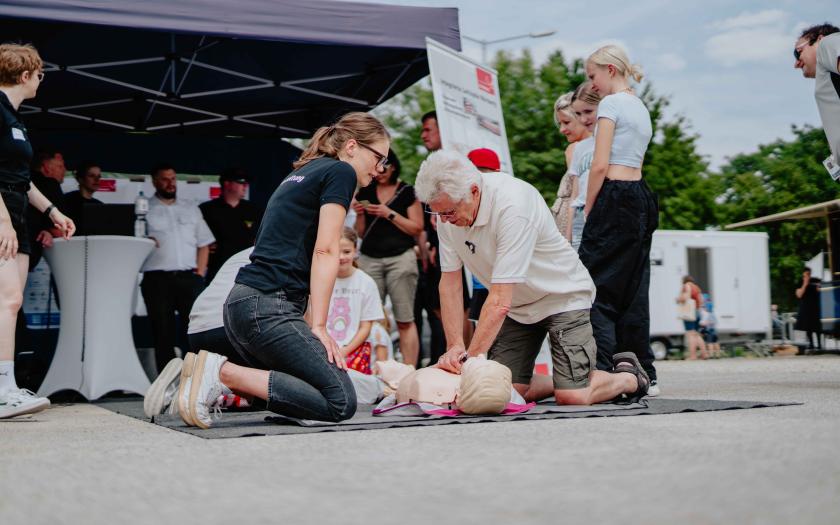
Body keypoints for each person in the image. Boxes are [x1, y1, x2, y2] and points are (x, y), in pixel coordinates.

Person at [148, 112, 389, 429]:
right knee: (341, 400)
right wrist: (319, 325)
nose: (381, 169)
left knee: (302, 389)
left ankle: (205, 378)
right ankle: (220, 373)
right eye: (379, 157)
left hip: (243, 305)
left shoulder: (304, 172)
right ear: (353, 147)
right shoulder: (340, 171)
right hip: (267, 307)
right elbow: (326, 249)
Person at [416, 150, 649, 406]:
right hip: (518, 307)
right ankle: (562, 380)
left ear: (473, 191)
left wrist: (471, 361)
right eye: (437, 214)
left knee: (573, 397)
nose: (444, 221)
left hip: (561, 297)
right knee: (501, 393)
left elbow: (499, 299)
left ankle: (629, 376)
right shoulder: (448, 216)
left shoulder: (513, 205)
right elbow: (449, 283)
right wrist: (454, 346)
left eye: (449, 212)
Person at [576, 44, 659, 395]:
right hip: (643, 196)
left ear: (610, 69)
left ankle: (601, 370)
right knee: (634, 289)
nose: (591, 84)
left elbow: (599, 163)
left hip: (615, 194)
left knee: (593, 285)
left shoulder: (611, 104)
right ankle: (644, 372)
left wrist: (591, 207)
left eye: (592, 75)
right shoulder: (640, 106)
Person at [0, 43, 75, 419]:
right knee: (7, 300)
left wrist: (53, 210)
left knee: (9, 303)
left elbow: (22, 179)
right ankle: (2, 389)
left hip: (18, 216)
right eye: (40, 75)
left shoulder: (15, 118)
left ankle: (7, 384)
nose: (41, 82)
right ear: (26, 74)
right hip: (3, 219)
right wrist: (2, 223)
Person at [141, 163, 215, 373]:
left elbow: (204, 243)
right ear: (154, 181)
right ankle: (166, 383)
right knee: (162, 332)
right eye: (164, 179)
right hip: (157, 279)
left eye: (173, 178)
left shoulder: (190, 207)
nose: (170, 183)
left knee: (194, 331)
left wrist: (200, 274)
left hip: (188, 279)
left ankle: (195, 377)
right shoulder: (144, 208)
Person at [352, 149, 423, 366]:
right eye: (378, 166)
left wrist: (388, 213)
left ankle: (409, 368)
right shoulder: (366, 189)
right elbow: (361, 233)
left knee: (404, 318)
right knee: (370, 318)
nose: (381, 171)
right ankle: (373, 366)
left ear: (394, 167)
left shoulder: (407, 191)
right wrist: (360, 214)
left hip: (400, 257)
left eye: (386, 166)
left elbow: (417, 227)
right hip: (370, 257)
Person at [323, 227, 384, 374]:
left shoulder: (366, 282)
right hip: (324, 347)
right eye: (337, 251)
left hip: (354, 349)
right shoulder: (322, 280)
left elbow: (366, 326)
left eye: (347, 252)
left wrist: (344, 351)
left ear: (355, 251)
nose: (341, 257)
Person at [199, 167, 262, 282]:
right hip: (218, 270)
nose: (245, 186)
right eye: (241, 182)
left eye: (246, 183)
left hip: (246, 269)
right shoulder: (207, 209)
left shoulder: (254, 210)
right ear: (227, 184)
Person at [793, 23, 840, 177]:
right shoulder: (829, 80)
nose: (796, 63)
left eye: (797, 52)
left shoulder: (827, 43)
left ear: (819, 38)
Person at [550, 91, 592, 249]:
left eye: (566, 122)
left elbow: (576, 195)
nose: (562, 129)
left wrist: (568, 238)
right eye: (560, 124)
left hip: (572, 225)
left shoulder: (575, 149)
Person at [465, 147, 502, 323]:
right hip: (481, 283)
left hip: (504, 284)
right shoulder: (463, 208)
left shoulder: (505, 203)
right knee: (480, 326)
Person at [568, 82, 601, 251]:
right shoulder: (580, 148)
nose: (583, 119)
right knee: (579, 267)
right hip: (580, 215)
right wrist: (568, 233)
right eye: (578, 113)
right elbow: (575, 193)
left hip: (601, 209)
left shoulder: (613, 143)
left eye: (588, 111)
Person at [26, 148, 66, 270]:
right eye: (60, 166)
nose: (64, 170)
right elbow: (59, 231)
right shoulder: (51, 184)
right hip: (35, 253)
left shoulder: (18, 181)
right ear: (46, 167)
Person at [62, 160, 103, 234]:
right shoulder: (67, 200)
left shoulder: (100, 205)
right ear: (81, 179)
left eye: (99, 176)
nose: (97, 180)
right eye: (91, 176)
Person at [677, 276, 708, 360]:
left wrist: (679, 299)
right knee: (696, 334)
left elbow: (685, 297)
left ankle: (693, 356)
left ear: (684, 281)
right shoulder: (697, 287)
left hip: (689, 312)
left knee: (690, 334)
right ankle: (704, 354)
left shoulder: (686, 286)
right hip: (697, 311)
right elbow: (701, 301)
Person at [795, 268, 823, 351]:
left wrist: (818, 287)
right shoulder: (800, 282)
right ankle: (809, 345)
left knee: (817, 327)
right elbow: (799, 295)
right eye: (805, 275)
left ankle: (819, 345)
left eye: (808, 274)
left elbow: (820, 291)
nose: (807, 276)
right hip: (804, 308)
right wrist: (805, 284)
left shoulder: (815, 280)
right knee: (804, 327)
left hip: (815, 307)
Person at [699, 293, 722, 358]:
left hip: (709, 330)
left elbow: (705, 322)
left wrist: (702, 324)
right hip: (714, 330)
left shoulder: (707, 314)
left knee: (710, 342)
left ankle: (711, 354)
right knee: (716, 342)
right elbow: (715, 322)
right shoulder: (713, 313)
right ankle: (718, 354)